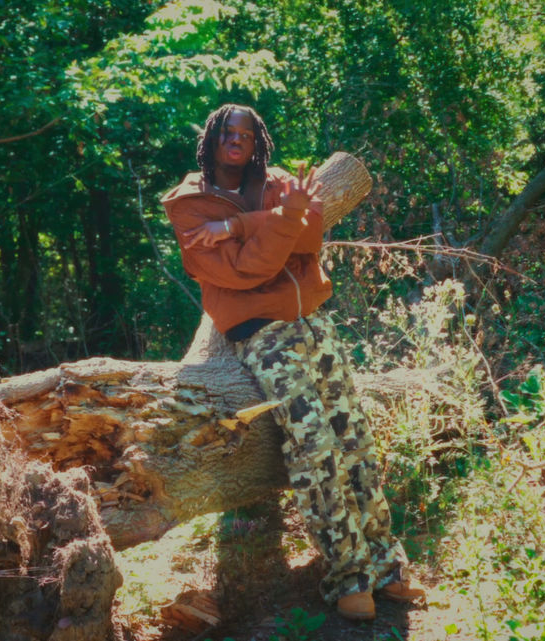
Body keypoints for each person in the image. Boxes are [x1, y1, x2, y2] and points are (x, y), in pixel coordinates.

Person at [161, 104, 425, 621]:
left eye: (245, 133)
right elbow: (244, 271)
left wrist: (237, 224)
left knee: (355, 439)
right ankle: (349, 576)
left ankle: (384, 565)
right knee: (314, 446)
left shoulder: (280, 181)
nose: (236, 140)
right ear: (210, 139)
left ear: (256, 140)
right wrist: (282, 222)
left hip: (313, 321)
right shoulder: (188, 205)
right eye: (226, 132)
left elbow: (309, 237)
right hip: (261, 335)